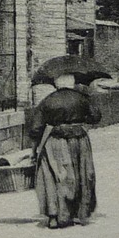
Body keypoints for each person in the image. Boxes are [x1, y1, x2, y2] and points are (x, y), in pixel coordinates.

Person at [28, 72, 100, 228]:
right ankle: (80, 213)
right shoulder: (82, 98)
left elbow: (35, 128)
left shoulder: (48, 101)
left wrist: (34, 150)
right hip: (80, 140)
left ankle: (55, 216)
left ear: (56, 84)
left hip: (56, 141)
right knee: (82, 173)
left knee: (54, 176)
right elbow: (95, 117)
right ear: (72, 83)